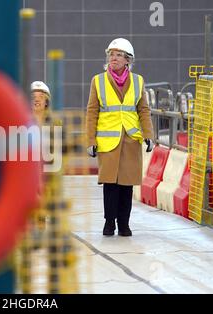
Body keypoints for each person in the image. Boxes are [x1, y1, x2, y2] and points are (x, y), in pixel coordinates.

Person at [85, 38, 154, 237]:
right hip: (108, 141)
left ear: (127, 60)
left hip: (131, 139)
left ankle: (124, 224)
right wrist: (90, 140)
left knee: (126, 184)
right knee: (110, 184)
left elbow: (144, 110)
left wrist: (148, 135)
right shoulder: (98, 81)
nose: (113, 58)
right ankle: (109, 223)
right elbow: (91, 112)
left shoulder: (138, 81)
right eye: (111, 54)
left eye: (117, 55)